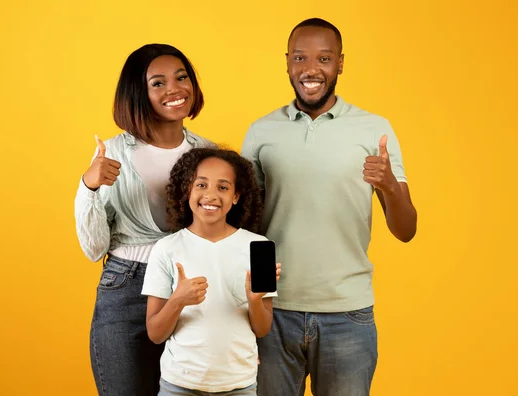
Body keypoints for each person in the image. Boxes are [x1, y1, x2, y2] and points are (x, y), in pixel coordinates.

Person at [241, 18, 418, 396]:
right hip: (273, 313)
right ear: (287, 62)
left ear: (340, 63)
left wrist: (388, 184)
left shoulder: (374, 129)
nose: (310, 69)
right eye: (300, 58)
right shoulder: (261, 131)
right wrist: (258, 299)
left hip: (348, 314)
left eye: (324, 58)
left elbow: (406, 230)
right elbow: (245, 226)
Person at [74, 44, 213, 396]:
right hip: (126, 290)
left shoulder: (207, 154)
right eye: (158, 83)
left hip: (190, 288)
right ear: (138, 92)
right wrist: (88, 187)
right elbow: (94, 249)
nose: (174, 89)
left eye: (182, 77)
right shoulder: (112, 152)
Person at [141, 148, 282, 396]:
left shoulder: (258, 247)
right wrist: (178, 300)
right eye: (201, 185)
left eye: (223, 187)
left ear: (236, 196)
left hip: (239, 385)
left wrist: (255, 300)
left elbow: (262, 329)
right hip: (179, 385)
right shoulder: (167, 249)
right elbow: (155, 334)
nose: (211, 195)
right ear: (187, 190)